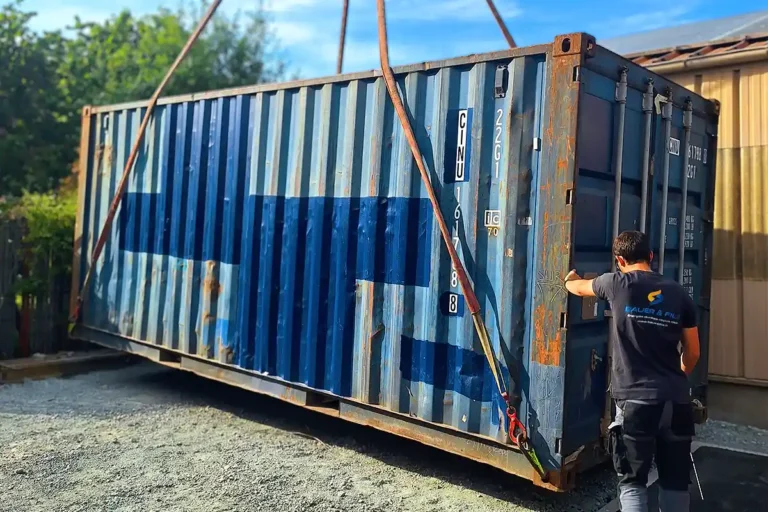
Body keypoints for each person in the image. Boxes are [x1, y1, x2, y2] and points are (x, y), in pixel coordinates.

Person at [563, 230, 700, 512]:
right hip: (675, 402)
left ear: (619, 260)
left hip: (635, 404)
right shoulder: (679, 293)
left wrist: (569, 279)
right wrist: (676, 379)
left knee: (633, 482)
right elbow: (693, 351)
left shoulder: (615, 284)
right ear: (651, 256)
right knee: (675, 483)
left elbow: (579, 288)